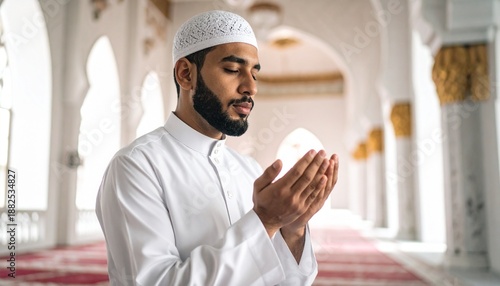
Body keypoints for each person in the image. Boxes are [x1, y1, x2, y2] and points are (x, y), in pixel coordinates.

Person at [96, 10, 339, 286]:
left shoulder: (249, 170)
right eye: (233, 70)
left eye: (254, 74)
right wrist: (265, 221)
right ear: (186, 74)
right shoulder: (137, 167)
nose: (250, 87)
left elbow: (285, 281)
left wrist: (293, 230)